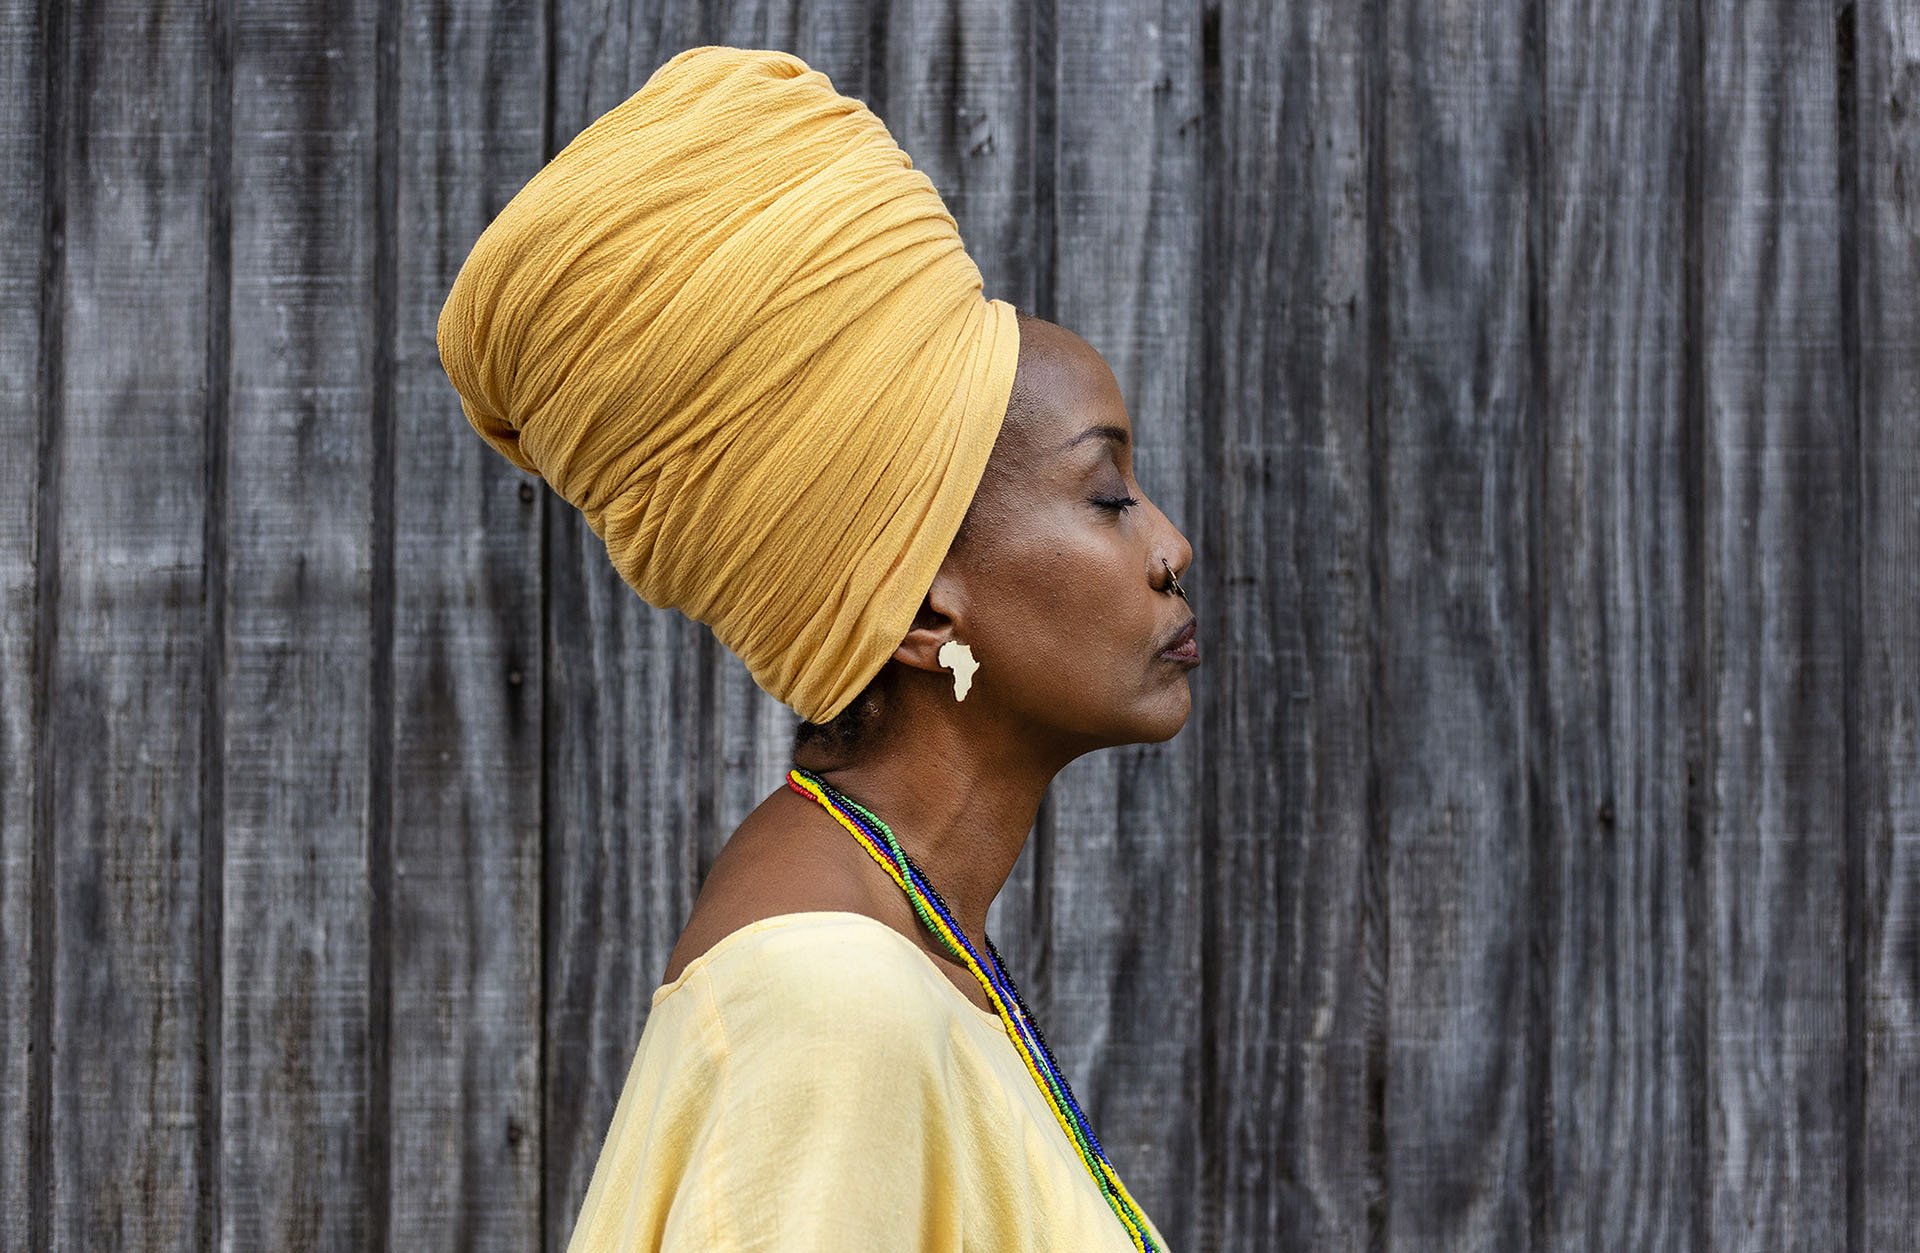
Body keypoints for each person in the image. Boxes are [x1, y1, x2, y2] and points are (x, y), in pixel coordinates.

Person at [438, 45, 1193, 1252]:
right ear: (923, 612)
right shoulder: (831, 1005)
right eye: (1108, 497)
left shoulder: (906, 941)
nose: (1171, 546)